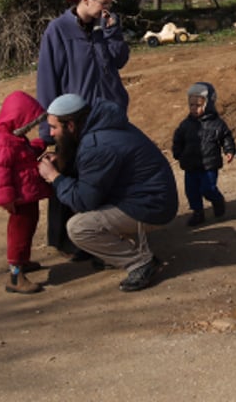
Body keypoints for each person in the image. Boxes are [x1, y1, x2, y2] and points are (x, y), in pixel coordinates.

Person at [36, 93, 179, 292]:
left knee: (79, 227)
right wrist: (62, 160)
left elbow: (83, 201)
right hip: (152, 198)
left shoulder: (97, 144)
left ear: (70, 126)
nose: (50, 133)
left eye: (54, 127)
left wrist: (54, 177)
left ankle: (141, 263)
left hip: (152, 207)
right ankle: (124, 248)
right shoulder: (103, 126)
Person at [36, 0, 130, 258]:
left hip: (108, 116)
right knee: (73, 172)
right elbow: (48, 78)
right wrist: (48, 126)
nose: (107, 9)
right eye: (103, 3)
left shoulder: (107, 26)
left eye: (110, 4)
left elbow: (119, 60)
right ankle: (69, 240)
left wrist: (111, 32)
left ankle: (103, 233)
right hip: (73, 119)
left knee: (104, 173)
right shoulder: (58, 30)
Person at [0, 91, 51, 295]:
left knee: (28, 227)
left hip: (27, 196)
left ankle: (22, 262)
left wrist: (40, 145)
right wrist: (6, 199)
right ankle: (16, 274)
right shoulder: (2, 141)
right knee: (19, 233)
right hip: (18, 199)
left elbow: (23, 155)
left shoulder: (15, 138)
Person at [172, 81, 236, 227]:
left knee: (208, 188)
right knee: (192, 191)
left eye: (198, 105)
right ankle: (197, 213)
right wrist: (178, 152)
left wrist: (229, 150)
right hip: (190, 164)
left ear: (208, 105)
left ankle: (217, 200)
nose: (194, 109)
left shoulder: (217, 124)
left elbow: (226, 137)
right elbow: (178, 139)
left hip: (209, 164)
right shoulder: (185, 124)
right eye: (191, 105)